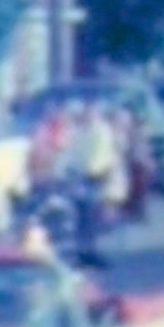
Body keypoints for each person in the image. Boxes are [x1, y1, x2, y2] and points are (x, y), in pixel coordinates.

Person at [68, 103, 119, 267]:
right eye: (83, 114)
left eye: (89, 113)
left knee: (93, 217)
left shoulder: (101, 131)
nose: (85, 117)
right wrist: (70, 170)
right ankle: (83, 252)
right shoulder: (80, 132)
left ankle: (92, 252)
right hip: (81, 178)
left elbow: (99, 157)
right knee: (82, 217)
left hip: (96, 178)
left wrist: (87, 171)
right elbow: (72, 154)